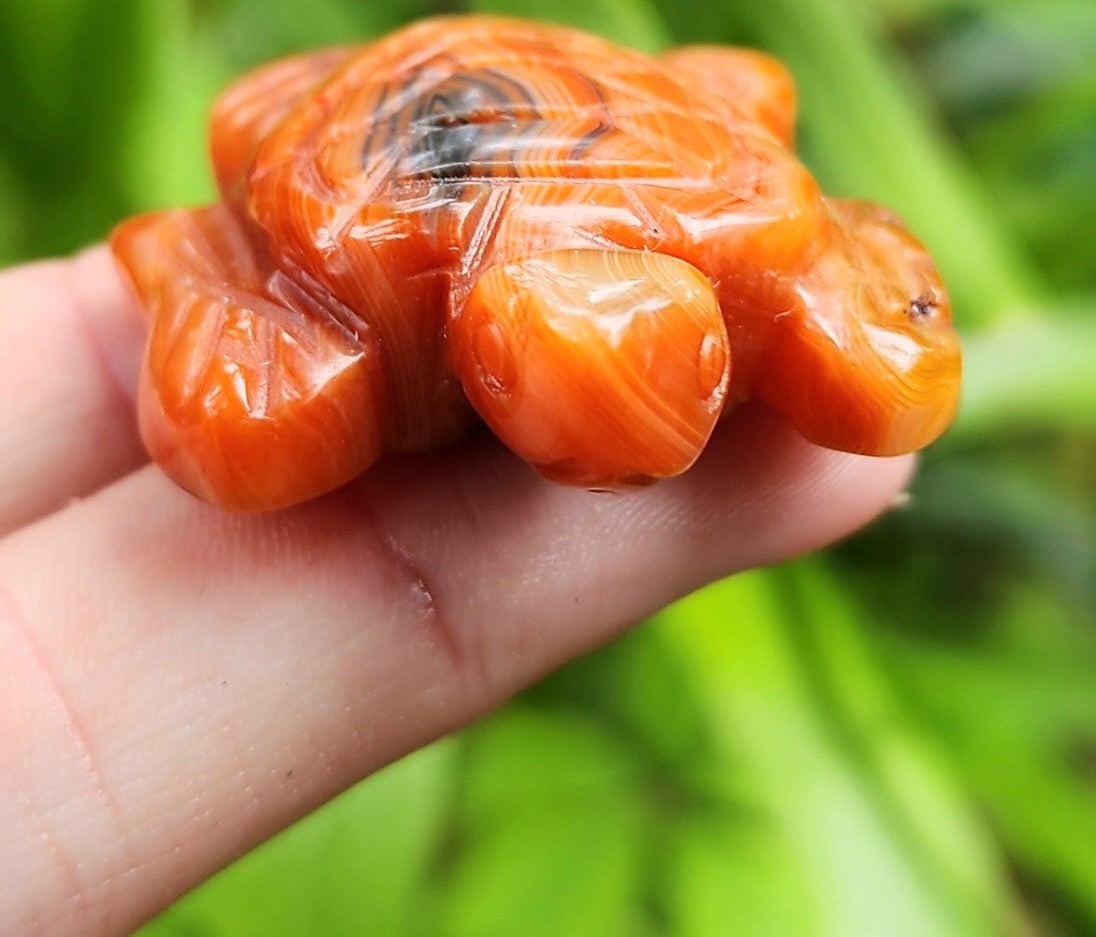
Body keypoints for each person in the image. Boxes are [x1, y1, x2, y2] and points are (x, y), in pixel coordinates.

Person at [0, 247, 914, 935]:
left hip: (649, 143)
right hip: (355, 194)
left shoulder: (762, 258)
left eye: (695, 375)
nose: (651, 448)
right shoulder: (362, 299)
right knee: (233, 430)